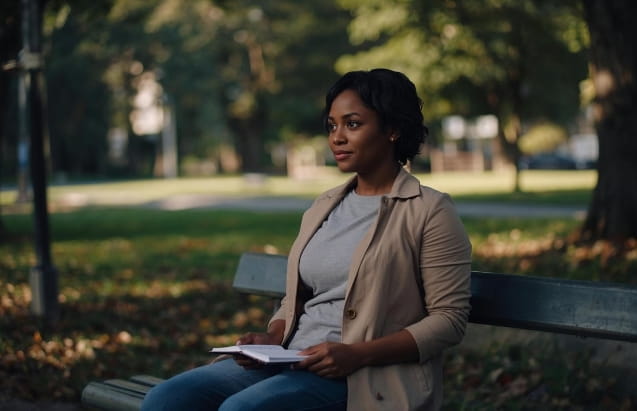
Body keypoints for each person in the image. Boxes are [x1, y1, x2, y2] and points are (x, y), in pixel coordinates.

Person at [141, 68, 472, 411]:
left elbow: (449, 319)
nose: (337, 137)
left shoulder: (429, 211)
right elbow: (297, 296)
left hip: (364, 376)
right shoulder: (325, 205)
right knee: (166, 398)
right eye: (332, 125)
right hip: (290, 359)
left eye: (353, 124)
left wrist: (355, 354)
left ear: (392, 130)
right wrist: (273, 338)